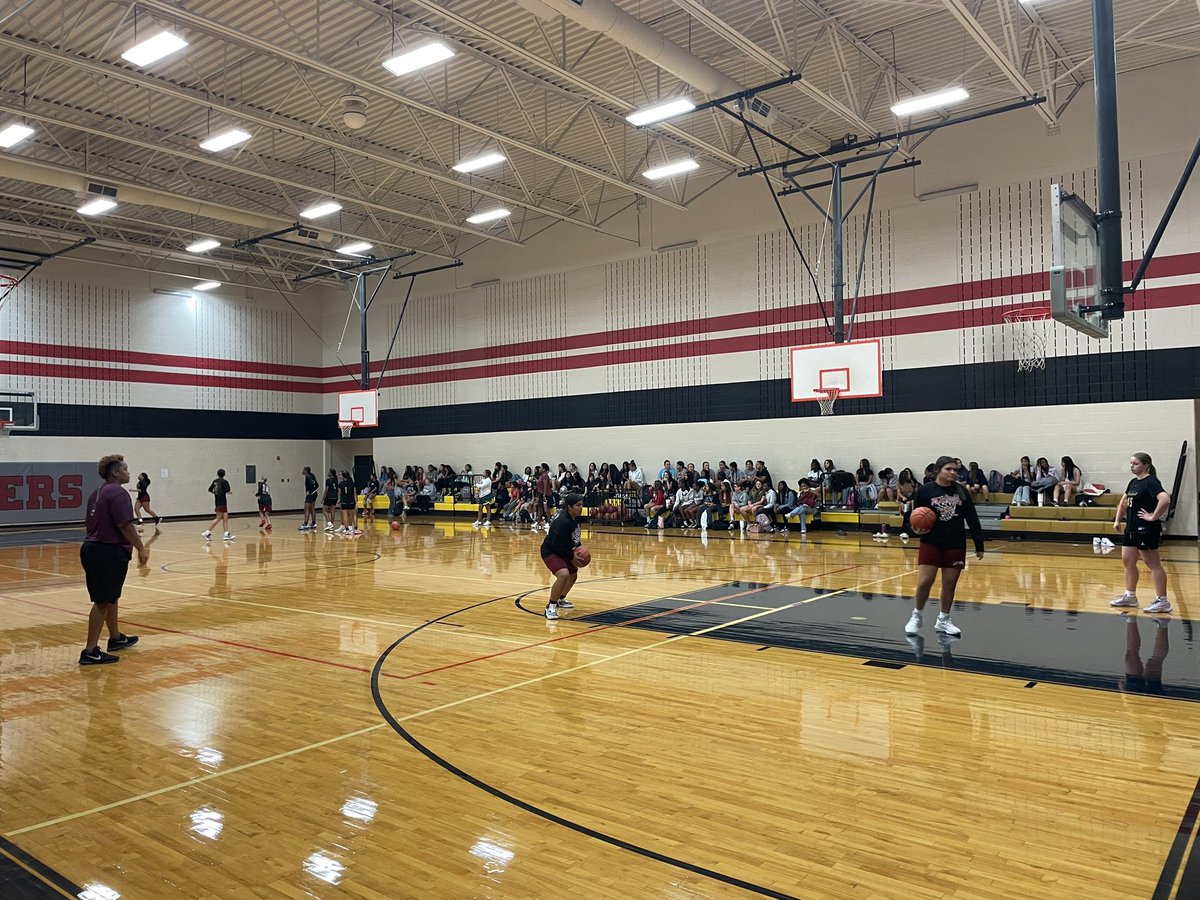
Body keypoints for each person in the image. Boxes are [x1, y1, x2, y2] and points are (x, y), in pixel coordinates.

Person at [904, 456, 985, 638]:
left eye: (955, 470)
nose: (953, 473)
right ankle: (916, 615)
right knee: (925, 581)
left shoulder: (961, 491)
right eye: (949, 469)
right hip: (931, 541)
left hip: (955, 542)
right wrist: (913, 529)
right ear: (938, 470)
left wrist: (979, 542)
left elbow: (972, 518)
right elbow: (912, 517)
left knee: (949, 583)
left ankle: (944, 619)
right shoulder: (925, 491)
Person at [79, 454, 148, 665]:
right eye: (125, 469)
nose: (128, 472)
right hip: (107, 551)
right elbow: (125, 525)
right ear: (116, 473)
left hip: (92, 548)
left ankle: (115, 638)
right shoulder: (118, 493)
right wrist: (141, 547)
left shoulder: (96, 492)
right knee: (102, 602)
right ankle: (90, 651)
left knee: (111, 597)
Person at [1110, 452, 1173, 614]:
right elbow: (1123, 502)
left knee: (1152, 564)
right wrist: (1118, 520)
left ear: (1146, 465)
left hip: (1146, 530)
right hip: (1131, 528)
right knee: (1128, 561)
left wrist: (1153, 517)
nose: (1132, 466)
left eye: (1136, 464)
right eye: (1131, 463)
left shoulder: (1151, 482)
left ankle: (1163, 601)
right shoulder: (1133, 482)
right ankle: (1130, 596)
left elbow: (1165, 499)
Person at [541, 493, 584, 620]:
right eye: (578, 505)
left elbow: (574, 538)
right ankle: (550, 607)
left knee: (572, 575)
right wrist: (572, 556)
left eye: (582, 505)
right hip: (550, 551)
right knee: (563, 574)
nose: (581, 508)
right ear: (570, 507)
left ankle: (560, 599)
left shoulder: (575, 518)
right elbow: (556, 545)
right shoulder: (563, 522)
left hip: (563, 549)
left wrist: (580, 549)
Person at [202, 468, 234, 541]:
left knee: (225, 517)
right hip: (222, 501)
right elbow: (227, 490)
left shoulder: (215, 481)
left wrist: (215, 494)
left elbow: (210, 489)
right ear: (224, 474)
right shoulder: (225, 481)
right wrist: (229, 492)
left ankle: (226, 534)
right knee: (218, 518)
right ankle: (207, 532)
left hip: (218, 501)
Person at [337, 469, 359, 535]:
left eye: (341, 475)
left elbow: (340, 493)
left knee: (345, 515)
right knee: (354, 515)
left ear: (344, 476)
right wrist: (356, 502)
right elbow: (354, 494)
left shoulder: (340, 484)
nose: (340, 476)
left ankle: (347, 530)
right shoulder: (352, 484)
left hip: (344, 501)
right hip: (351, 501)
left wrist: (340, 500)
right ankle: (355, 529)